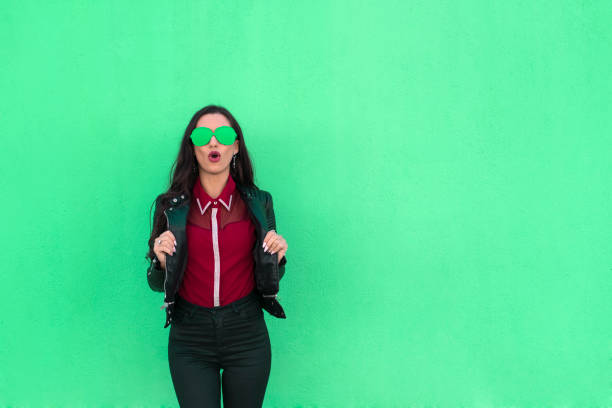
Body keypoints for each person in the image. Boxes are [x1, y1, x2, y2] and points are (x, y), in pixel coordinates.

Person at [145, 105, 288, 407]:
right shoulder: (169, 207)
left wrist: (276, 258)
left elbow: (270, 273)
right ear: (192, 146)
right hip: (190, 338)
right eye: (203, 135)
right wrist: (160, 260)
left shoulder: (259, 203)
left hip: (246, 334)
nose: (213, 142)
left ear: (235, 146)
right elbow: (156, 283)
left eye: (223, 135)